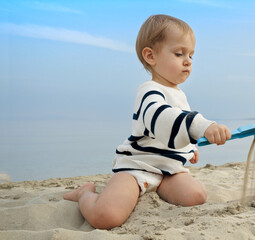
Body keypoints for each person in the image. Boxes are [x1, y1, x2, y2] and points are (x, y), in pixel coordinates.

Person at [63, 14, 231, 229]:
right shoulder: (149, 92)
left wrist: (190, 149)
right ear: (151, 56)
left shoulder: (179, 95)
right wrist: (202, 126)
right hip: (138, 166)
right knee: (106, 217)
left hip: (167, 169)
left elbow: (177, 127)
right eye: (179, 53)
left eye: (191, 55)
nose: (188, 61)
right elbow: (162, 119)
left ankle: (158, 187)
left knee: (196, 196)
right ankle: (85, 193)